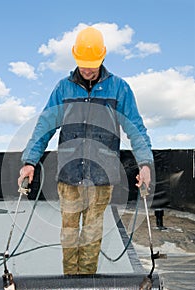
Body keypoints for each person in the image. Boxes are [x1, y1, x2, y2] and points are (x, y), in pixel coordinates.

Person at [18, 26, 153, 275]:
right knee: (70, 233)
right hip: (69, 176)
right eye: (83, 63)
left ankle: (87, 285)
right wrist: (30, 161)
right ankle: (70, 284)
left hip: (102, 178)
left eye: (92, 63)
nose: (88, 69)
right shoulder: (63, 89)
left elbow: (136, 129)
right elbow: (43, 128)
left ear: (102, 57)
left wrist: (144, 163)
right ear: (75, 57)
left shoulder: (119, 89)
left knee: (91, 235)